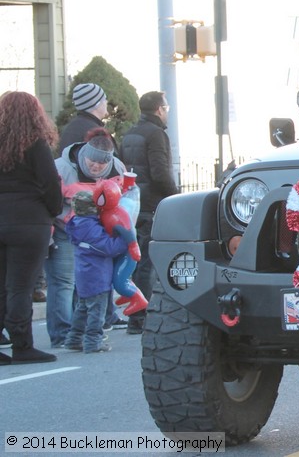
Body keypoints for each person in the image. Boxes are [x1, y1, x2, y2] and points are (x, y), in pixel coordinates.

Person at [53, 82, 126, 331]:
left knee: (79, 275)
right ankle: (78, 328)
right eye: (104, 99)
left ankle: (80, 325)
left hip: (73, 214)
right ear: (96, 103)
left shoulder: (71, 128)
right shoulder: (91, 132)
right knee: (81, 274)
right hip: (84, 216)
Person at [0, 91, 62, 364]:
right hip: (29, 220)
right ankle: (22, 345)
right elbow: (51, 184)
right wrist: (53, 211)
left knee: (2, 287)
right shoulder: (36, 144)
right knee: (20, 287)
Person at [121, 91, 180, 334]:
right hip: (152, 205)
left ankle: (134, 313)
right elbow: (159, 172)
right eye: (166, 109)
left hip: (132, 204)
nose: (167, 114)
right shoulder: (156, 134)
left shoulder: (131, 133)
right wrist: (175, 197)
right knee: (147, 263)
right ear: (159, 109)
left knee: (134, 263)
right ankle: (141, 316)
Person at [62, 191, 130, 354]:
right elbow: (108, 247)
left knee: (82, 308)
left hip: (84, 275)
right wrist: (125, 239)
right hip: (97, 276)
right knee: (96, 311)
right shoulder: (90, 227)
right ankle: (93, 341)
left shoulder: (78, 223)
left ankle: (74, 338)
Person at [57, 83, 110, 155]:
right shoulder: (96, 133)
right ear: (96, 104)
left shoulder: (69, 129)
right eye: (104, 99)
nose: (106, 102)